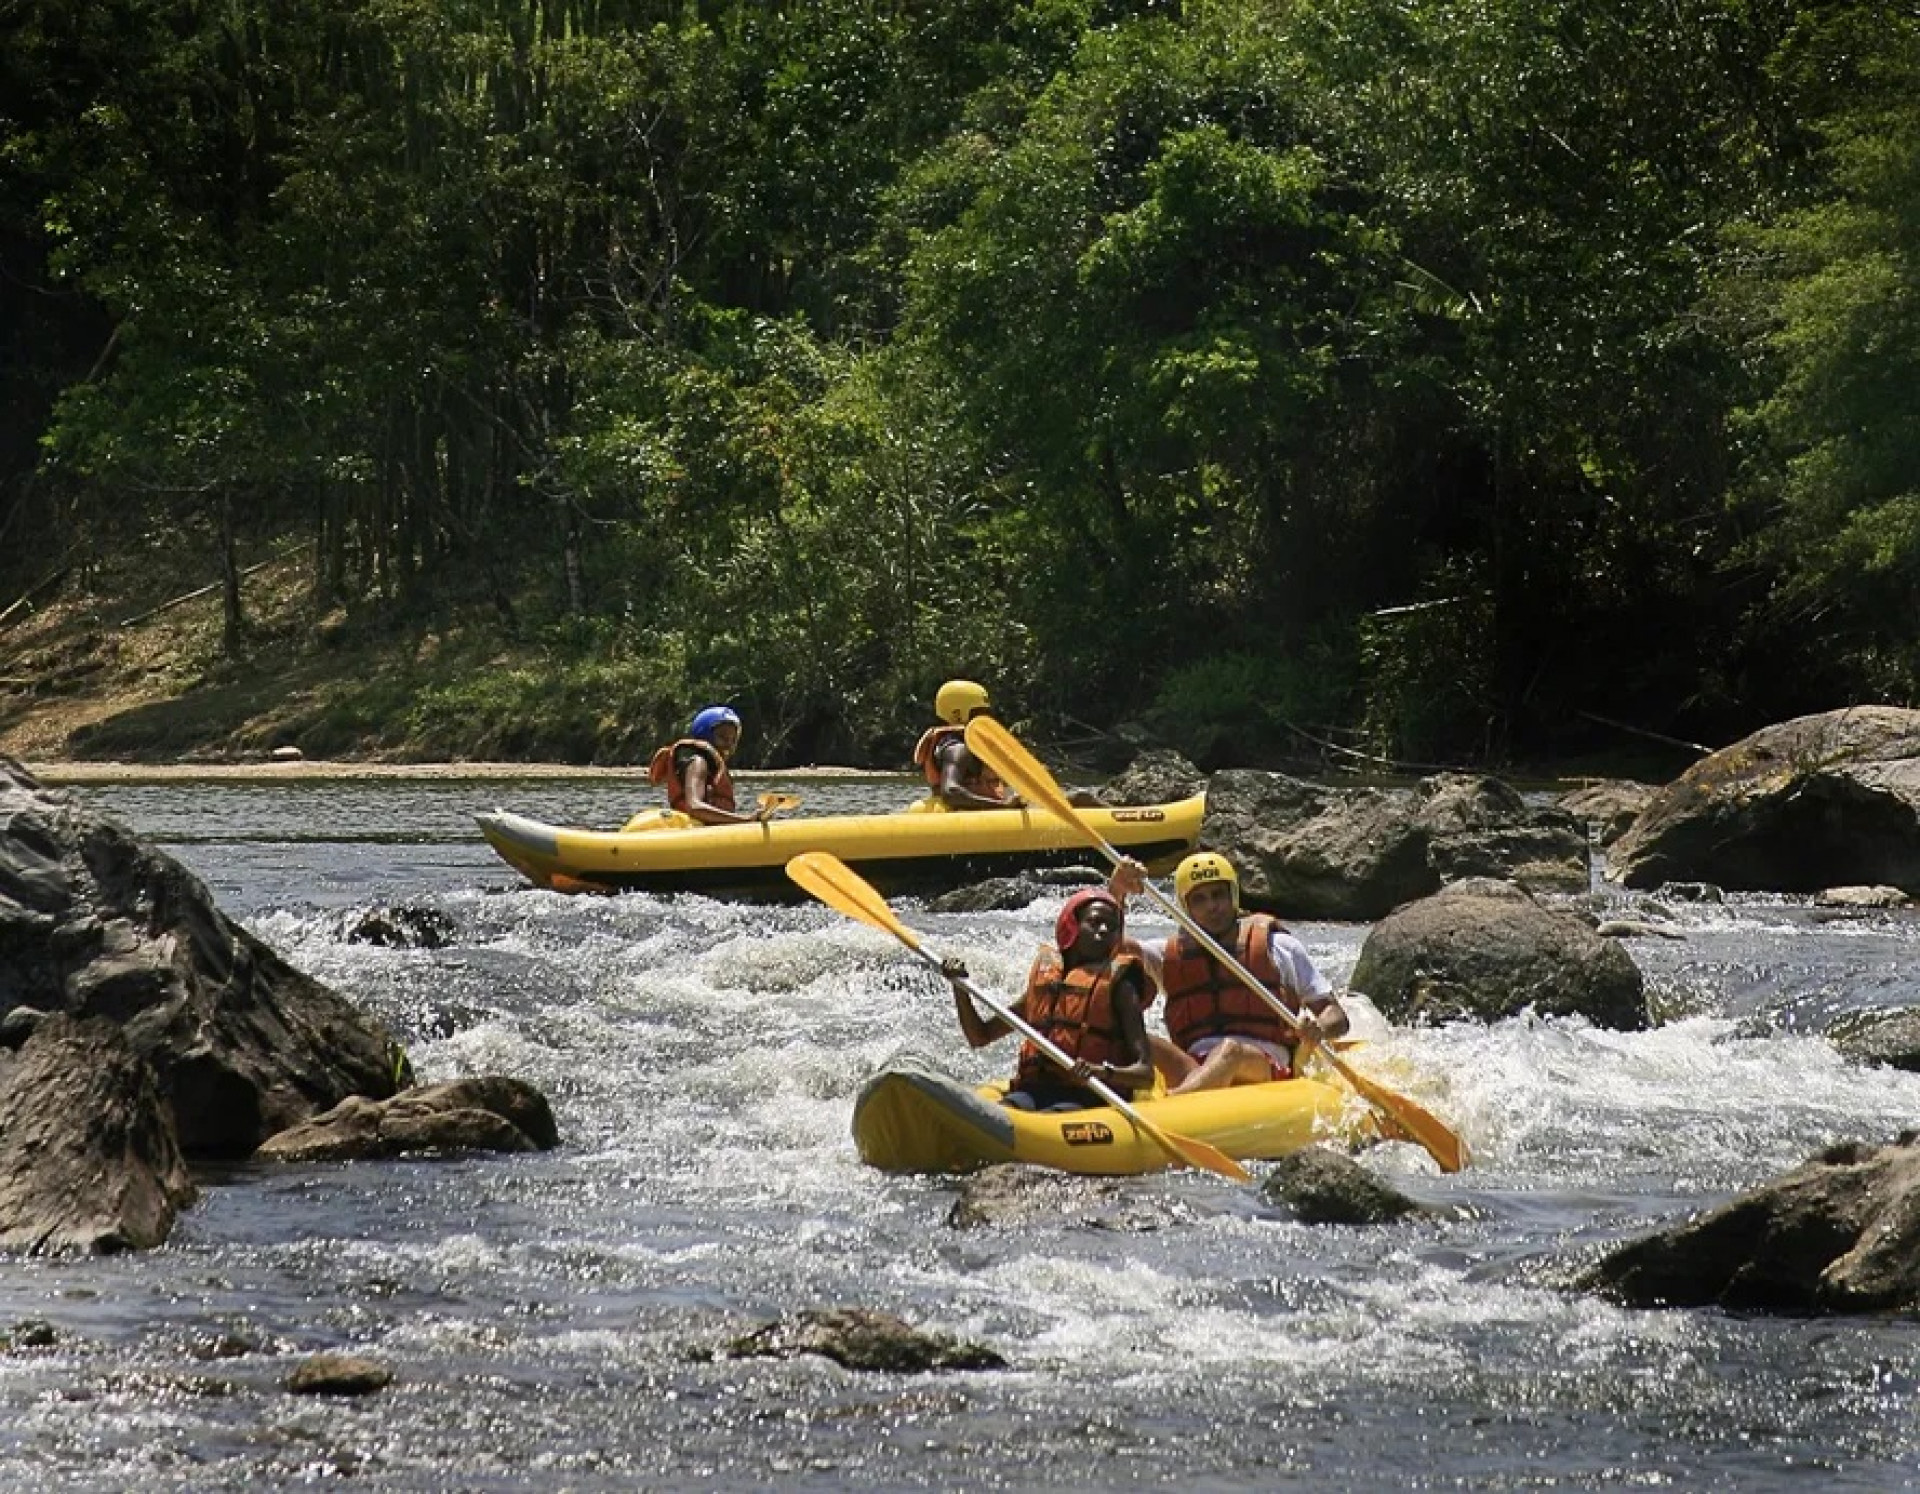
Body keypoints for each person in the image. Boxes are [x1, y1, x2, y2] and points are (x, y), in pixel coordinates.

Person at [1109, 851, 1349, 1095]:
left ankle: (1176, 1102)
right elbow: (1110, 950)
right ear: (1185, 908)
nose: (1212, 906)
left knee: (1229, 1050)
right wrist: (1117, 891)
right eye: (1199, 900)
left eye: (1218, 895)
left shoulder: (1279, 947)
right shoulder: (1168, 955)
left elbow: (1336, 1015)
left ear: (1233, 896)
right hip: (1194, 1066)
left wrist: (1319, 1028)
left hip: (1264, 1065)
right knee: (1141, 1040)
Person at [942, 887, 1155, 1112]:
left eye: (1112, 927)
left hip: (1089, 1097)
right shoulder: (1046, 987)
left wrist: (1103, 1072)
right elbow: (979, 1036)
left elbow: (1145, 1073)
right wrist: (960, 988)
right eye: (1095, 922)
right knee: (1008, 1108)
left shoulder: (1120, 986)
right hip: (1033, 1091)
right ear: (1071, 927)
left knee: (1054, 1112)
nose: (1103, 930)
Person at [911, 679, 1102, 810]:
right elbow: (950, 792)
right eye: (978, 712)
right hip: (975, 815)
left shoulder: (964, 744)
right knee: (1082, 798)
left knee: (1076, 797)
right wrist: (1004, 806)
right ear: (957, 714)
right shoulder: (957, 748)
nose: (986, 717)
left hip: (987, 808)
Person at [646, 706, 772, 827]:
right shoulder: (698, 762)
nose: (728, 744)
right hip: (693, 832)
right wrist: (746, 819)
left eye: (733, 740)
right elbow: (694, 807)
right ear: (705, 734)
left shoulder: (708, 763)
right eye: (722, 737)